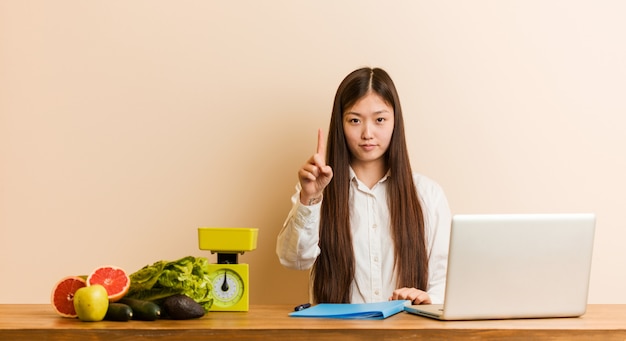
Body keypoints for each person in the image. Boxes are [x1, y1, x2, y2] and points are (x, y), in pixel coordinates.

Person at [276, 67, 451, 305]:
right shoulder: (318, 192)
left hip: (408, 334)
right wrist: (310, 198)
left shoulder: (428, 195)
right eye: (355, 120)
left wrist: (427, 298)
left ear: (394, 122)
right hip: (336, 335)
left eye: (380, 119)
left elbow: (444, 281)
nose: (367, 133)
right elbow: (294, 260)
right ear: (341, 124)